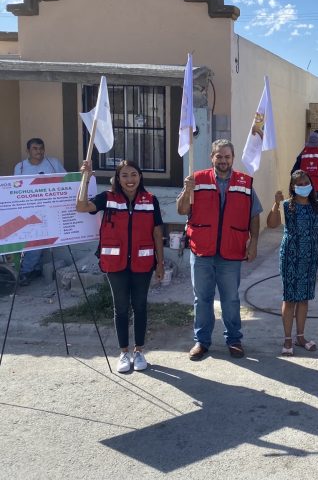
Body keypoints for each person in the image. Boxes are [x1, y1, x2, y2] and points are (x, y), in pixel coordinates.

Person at [76, 159, 164, 373]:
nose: (130, 179)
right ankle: (124, 352)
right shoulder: (108, 198)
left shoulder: (151, 200)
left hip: (143, 263)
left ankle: (139, 351)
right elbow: (81, 206)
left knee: (141, 306)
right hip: (115, 263)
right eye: (124, 175)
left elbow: (157, 233)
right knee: (121, 308)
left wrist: (160, 263)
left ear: (140, 176)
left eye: (133, 174)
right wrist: (85, 178)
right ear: (117, 178)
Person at [177, 139, 262, 361]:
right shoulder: (196, 179)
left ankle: (234, 340)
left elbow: (254, 215)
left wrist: (253, 243)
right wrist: (187, 191)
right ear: (211, 157)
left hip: (231, 252)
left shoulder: (244, 183)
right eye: (219, 156)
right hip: (202, 251)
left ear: (233, 158)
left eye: (227, 156)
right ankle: (201, 342)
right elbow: (181, 210)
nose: (223, 160)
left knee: (231, 300)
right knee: (202, 299)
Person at [266, 170, 318, 356]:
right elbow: (271, 224)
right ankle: (288, 339)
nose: (304, 186)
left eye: (306, 182)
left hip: (310, 257)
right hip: (290, 257)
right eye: (299, 183)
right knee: (290, 299)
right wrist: (276, 203)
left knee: (303, 298)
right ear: (293, 187)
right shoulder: (287, 205)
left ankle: (300, 337)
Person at [14, 137, 67, 285]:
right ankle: (26, 271)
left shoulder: (53, 163)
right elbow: (15, 188)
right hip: (29, 211)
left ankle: (32, 270)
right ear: (28, 151)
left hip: (50, 209)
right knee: (32, 241)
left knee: (41, 241)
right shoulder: (20, 167)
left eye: (41, 148)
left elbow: (65, 181)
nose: (39, 151)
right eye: (35, 149)